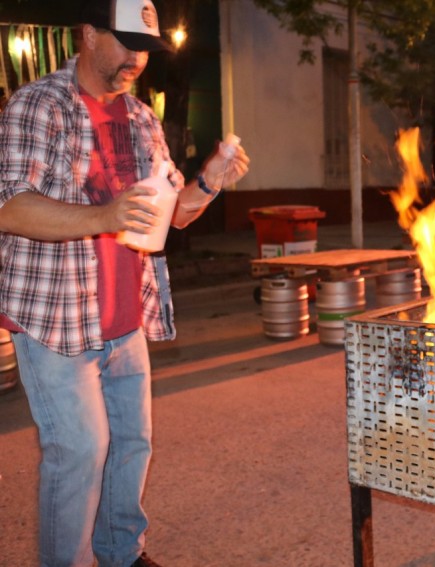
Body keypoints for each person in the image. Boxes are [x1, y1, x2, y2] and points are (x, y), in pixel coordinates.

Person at [0, 1, 250, 566]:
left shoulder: (141, 118)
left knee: (131, 447)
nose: (138, 58)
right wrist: (105, 217)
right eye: (126, 43)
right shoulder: (37, 105)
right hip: (55, 319)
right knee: (81, 452)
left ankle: (122, 554)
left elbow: (169, 216)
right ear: (87, 34)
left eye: (146, 48)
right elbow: (11, 206)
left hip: (123, 315)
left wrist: (209, 182)